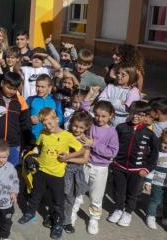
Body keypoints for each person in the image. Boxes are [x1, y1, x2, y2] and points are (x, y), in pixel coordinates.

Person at [18, 108, 85, 240]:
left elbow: (81, 150)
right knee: (35, 195)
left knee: (58, 201)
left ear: (57, 119)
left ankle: (58, 224)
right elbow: (39, 147)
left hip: (57, 175)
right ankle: (30, 213)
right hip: (41, 171)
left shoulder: (67, 136)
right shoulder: (43, 133)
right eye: (44, 124)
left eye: (50, 123)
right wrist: (32, 157)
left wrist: (68, 156)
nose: (47, 127)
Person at [107, 101, 159, 227]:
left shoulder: (150, 134)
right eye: (133, 113)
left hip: (137, 171)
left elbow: (154, 155)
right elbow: (113, 144)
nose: (136, 117)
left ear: (146, 116)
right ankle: (119, 209)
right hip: (119, 167)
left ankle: (128, 212)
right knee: (119, 191)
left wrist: (146, 169)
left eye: (140, 114)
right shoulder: (121, 127)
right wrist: (112, 161)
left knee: (133, 193)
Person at [78, 101, 119, 234]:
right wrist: (90, 95)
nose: (99, 119)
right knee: (78, 190)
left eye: (103, 116)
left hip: (100, 168)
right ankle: (72, 212)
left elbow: (112, 152)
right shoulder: (91, 124)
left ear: (110, 116)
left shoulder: (112, 132)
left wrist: (93, 144)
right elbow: (83, 108)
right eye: (96, 115)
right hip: (84, 163)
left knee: (96, 196)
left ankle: (94, 219)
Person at [0, 72, 29, 165]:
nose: (11, 91)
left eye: (14, 89)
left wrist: (25, 143)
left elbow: (24, 123)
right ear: (2, 83)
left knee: (12, 169)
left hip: (13, 143)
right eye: (9, 88)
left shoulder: (20, 100)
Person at [62, 110, 92, 234]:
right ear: (71, 123)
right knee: (58, 196)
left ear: (86, 127)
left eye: (81, 127)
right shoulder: (64, 134)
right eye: (75, 126)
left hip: (75, 173)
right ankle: (54, 215)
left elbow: (85, 159)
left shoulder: (86, 140)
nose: (77, 129)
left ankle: (67, 221)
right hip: (61, 170)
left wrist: (68, 158)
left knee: (70, 199)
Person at [145, 129, 167, 230]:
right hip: (157, 183)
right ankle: (150, 216)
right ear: (161, 142)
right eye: (165, 143)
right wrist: (148, 182)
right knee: (155, 200)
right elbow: (151, 169)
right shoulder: (157, 155)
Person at [99, 62, 141, 127]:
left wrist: (108, 101)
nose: (119, 75)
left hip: (123, 123)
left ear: (131, 76)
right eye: (118, 73)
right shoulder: (110, 87)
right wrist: (118, 102)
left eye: (123, 74)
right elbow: (100, 101)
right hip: (106, 121)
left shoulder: (133, 92)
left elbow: (126, 109)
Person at [27, 74, 64, 144]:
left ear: (49, 88)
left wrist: (55, 121)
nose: (39, 89)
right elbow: (23, 116)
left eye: (43, 87)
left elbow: (61, 118)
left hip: (51, 138)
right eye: (37, 86)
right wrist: (29, 119)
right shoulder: (30, 99)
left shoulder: (56, 100)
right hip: (34, 138)